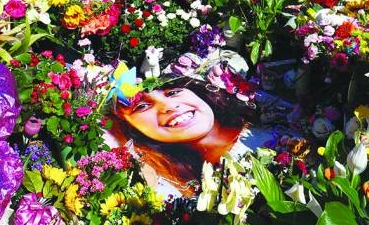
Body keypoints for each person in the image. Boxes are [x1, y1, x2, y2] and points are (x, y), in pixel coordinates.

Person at [105, 76, 261, 198]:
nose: (169, 107)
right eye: (142, 106)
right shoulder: (166, 185)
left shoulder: (262, 135)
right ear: (131, 128)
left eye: (173, 92)